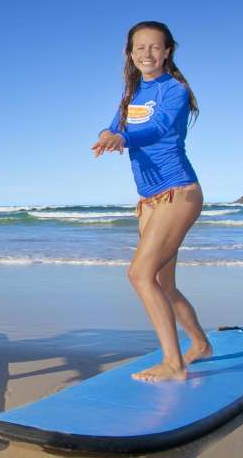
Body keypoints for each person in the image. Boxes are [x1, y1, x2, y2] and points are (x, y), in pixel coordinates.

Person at [91, 20, 211, 382]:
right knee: (164, 283)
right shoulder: (130, 96)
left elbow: (156, 129)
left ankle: (174, 364)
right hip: (149, 201)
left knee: (139, 274)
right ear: (130, 53)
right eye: (140, 47)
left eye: (155, 47)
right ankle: (201, 345)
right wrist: (107, 134)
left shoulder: (174, 90)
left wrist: (121, 140)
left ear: (167, 51)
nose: (147, 53)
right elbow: (114, 127)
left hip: (179, 192)